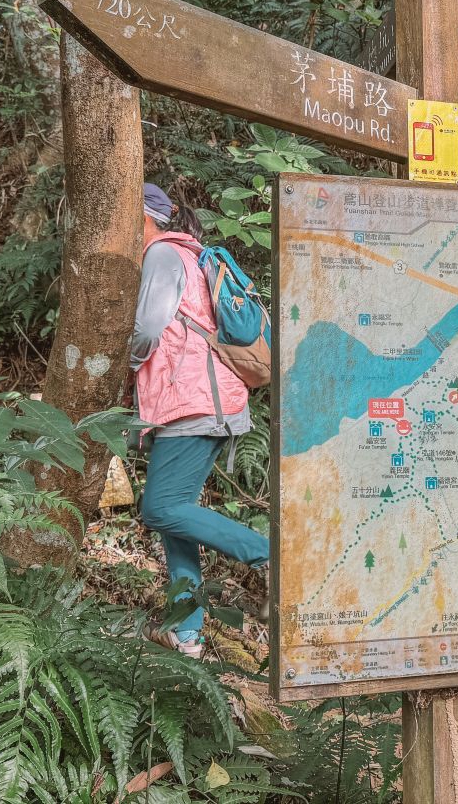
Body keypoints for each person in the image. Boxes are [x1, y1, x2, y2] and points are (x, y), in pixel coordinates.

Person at [131, 183, 268, 657]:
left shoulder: (163, 255)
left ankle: (269, 555)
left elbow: (147, 330)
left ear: (142, 217)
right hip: (206, 399)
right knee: (177, 520)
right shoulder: (188, 256)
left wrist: (120, 364)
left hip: (192, 400)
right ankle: (185, 632)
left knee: (159, 509)